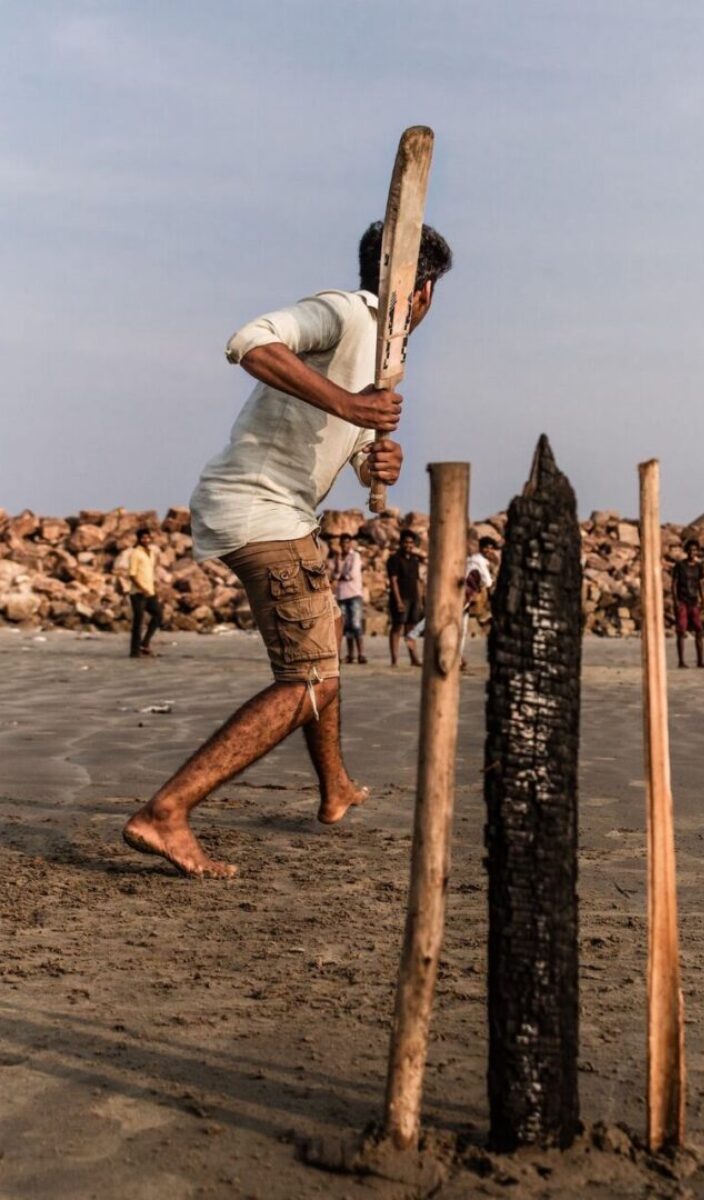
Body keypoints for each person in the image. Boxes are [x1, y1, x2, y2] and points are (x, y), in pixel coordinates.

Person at [122, 221, 453, 877]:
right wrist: (353, 409)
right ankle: (167, 811)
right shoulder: (346, 311)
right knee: (309, 679)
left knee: (325, 635)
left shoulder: (386, 359)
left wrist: (375, 459)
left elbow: (351, 448)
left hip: (287, 511)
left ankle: (334, 788)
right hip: (259, 507)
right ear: (419, 291)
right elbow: (250, 343)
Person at [387, 529, 424, 667]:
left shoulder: (414, 560)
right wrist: (398, 600)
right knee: (397, 627)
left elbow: (417, 581)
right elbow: (393, 580)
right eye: (406, 542)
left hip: (413, 597)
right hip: (401, 598)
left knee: (411, 628)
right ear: (401, 543)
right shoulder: (394, 559)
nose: (409, 545)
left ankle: (414, 658)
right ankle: (394, 659)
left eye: (411, 542)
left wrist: (419, 601)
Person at [671, 538, 704, 669]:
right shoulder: (680, 566)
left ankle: (700, 661)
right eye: (690, 549)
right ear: (686, 550)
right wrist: (675, 600)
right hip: (682, 601)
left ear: (697, 552)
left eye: (694, 550)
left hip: (694, 601)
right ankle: (681, 661)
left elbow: (700, 584)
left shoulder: (699, 567)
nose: (692, 552)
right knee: (681, 630)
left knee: (699, 630)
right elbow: (674, 584)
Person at [461, 536, 500, 668]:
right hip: (465, 596)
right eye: (486, 547)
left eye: (491, 548)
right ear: (480, 548)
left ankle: (457, 657)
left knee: (462, 629)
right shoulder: (479, 562)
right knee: (461, 629)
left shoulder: (474, 559)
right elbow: (488, 582)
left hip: (467, 596)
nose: (489, 550)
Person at [127, 528, 164, 659]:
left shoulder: (151, 553)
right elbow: (132, 575)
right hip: (138, 593)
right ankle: (134, 651)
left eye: (148, 537)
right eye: (143, 538)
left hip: (150, 592)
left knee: (158, 616)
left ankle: (144, 643)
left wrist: (153, 587)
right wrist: (143, 588)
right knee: (138, 622)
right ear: (139, 539)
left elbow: (149, 572)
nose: (146, 540)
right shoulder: (136, 553)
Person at [334, 532, 366, 664]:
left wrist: (339, 576)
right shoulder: (339, 558)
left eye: (347, 542)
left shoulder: (355, 556)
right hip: (342, 594)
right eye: (343, 543)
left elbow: (350, 574)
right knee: (346, 626)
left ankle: (361, 654)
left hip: (354, 594)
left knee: (356, 625)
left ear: (350, 543)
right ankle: (350, 655)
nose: (345, 545)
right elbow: (334, 573)